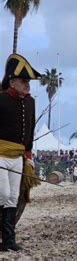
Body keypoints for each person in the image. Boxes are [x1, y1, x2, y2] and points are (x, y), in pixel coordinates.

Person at [0, 53, 42, 251]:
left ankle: (8, 240)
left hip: (18, 156)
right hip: (0, 154)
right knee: (3, 193)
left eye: (28, 81)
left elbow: (30, 128)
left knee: (13, 196)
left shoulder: (30, 102)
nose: (27, 85)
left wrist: (28, 153)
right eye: (24, 81)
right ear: (12, 81)